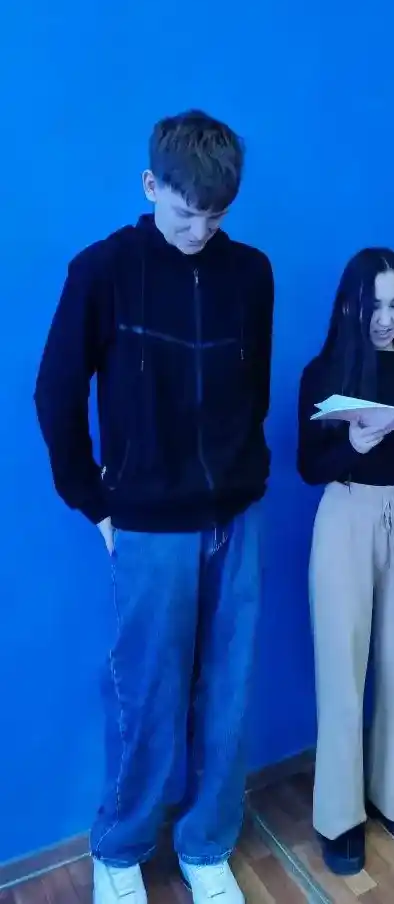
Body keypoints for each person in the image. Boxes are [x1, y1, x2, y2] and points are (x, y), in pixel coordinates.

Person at [34, 111, 274, 904]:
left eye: (216, 216)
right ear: (150, 185)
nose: (200, 231)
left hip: (236, 516)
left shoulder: (252, 274)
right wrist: (95, 503)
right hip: (147, 523)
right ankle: (122, 848)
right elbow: (55, 393)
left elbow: (253, 393)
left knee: (228, 692)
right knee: (147, 692)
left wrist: (237, 476)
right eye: (185, 212)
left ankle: (207, 845)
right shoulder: (102, 270)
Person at [297, 249, 394, 876]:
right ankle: (339, 816)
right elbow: (308, 467)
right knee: (342, 666)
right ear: (349, 306)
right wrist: (353, 444)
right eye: (374, 306)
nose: (386, 319)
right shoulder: (323, 372)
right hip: (346, 513)